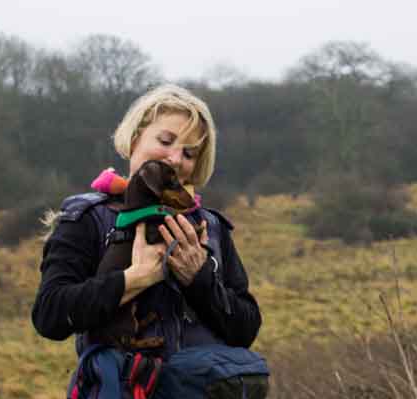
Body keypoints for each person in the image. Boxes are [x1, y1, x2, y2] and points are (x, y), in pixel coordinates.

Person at [31, 84, 261, 363]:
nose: (175, 159)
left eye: (189, 154)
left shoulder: (211, 227)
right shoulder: (88, 218)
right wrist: (137, 278)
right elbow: (50, 315)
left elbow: (246, 330)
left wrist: (199, 279)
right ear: (135, 138)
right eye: (165, 141)